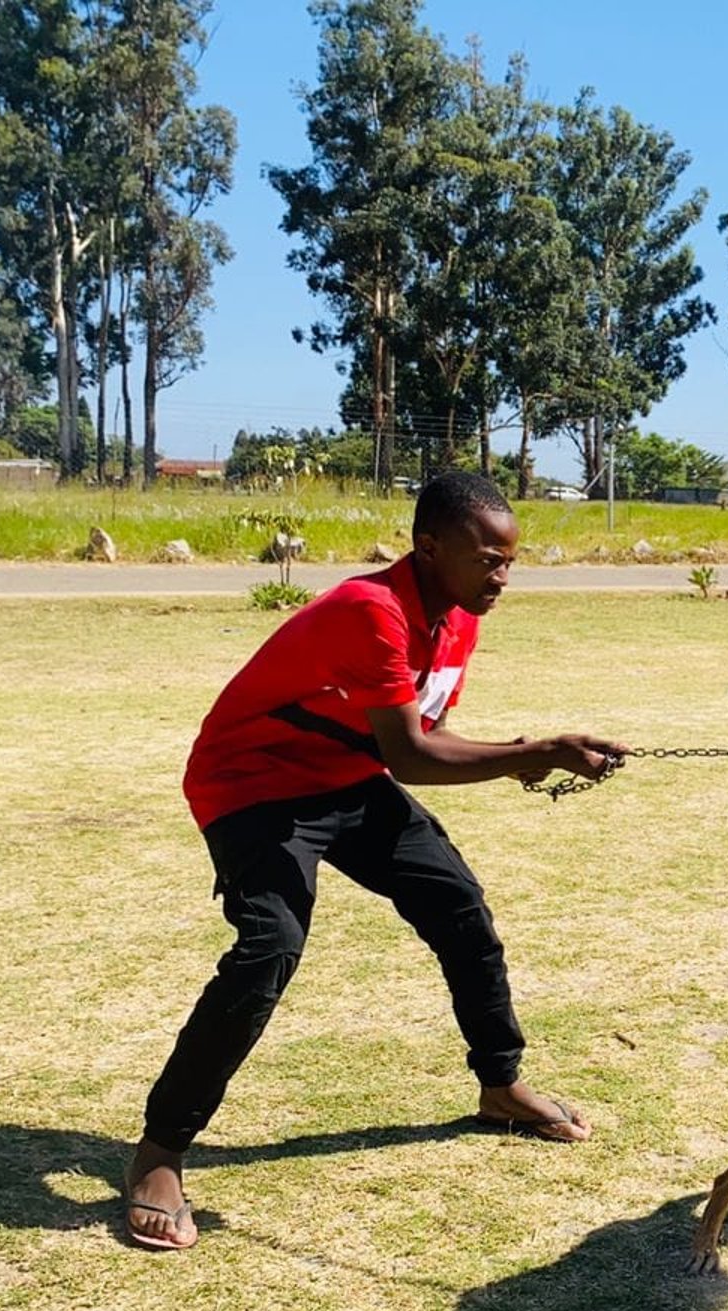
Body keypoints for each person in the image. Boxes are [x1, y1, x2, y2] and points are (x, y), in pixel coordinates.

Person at [123, 470, 629, 1250]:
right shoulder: (371, 610)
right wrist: (536, 751)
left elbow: (419, 737)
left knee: (458, 904)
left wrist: (529, 754)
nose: (501, 577)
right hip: (253, 784)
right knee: (269, 949)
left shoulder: (457, 618)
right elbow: (412, 756)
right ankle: (161, 1152)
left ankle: (501, 1084)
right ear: (428, 548)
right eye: (486, 560)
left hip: (343, 777)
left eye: (509, 561)